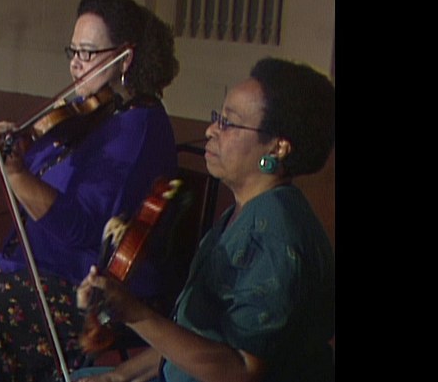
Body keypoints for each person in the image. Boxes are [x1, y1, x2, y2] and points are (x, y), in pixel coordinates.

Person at [0, 0, 183, 382]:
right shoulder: (93, 115)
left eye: (88, 53)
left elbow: (82, 228)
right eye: (73, 52)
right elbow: (28, 161)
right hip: (42, 267)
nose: (76, 65)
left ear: (125, 58)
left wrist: (18, 175)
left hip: (91, 286)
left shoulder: (137, 128)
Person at [74, 57, 336, 382]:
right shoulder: (244, 211)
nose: (211, 130)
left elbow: (241, 369)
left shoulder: (276, 235)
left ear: (278, 147)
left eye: (229, 123)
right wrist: (117, 376)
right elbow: (194, 342)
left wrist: (135, 313)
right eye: (217, 118)